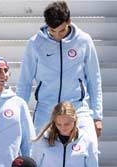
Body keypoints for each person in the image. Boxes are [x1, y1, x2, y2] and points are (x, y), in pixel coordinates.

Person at [16, 1, 103, 138]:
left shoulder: (84, 41)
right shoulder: (35, 43)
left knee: (88, 148)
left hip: (77, 108)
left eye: (61, 30)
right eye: (53, 31)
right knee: (38, 154)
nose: (58, 36)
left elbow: (94, 79)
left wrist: (97, 116)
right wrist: (18, 114)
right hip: (46, 110)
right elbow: (24, 81)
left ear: (69, 21)